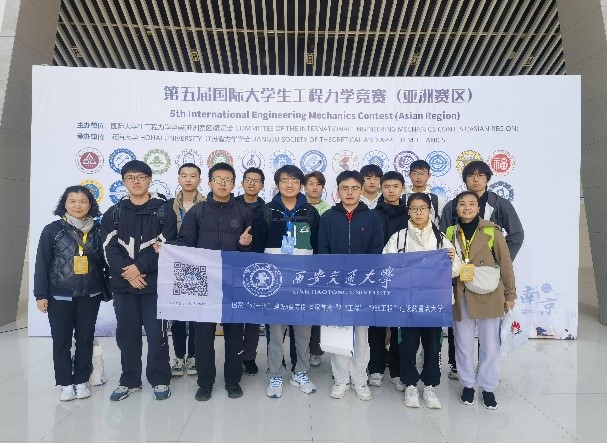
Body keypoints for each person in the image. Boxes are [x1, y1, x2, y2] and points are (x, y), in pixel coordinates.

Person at [170, 162, 253, 401]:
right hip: (202, 281)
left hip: (233, 282)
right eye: (218, 179)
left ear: (234, 184)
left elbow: (251, 253)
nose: (223, 183)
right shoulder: (198, 212)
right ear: (209, 183)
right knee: (203, 335)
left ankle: (233, 381)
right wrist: (167, 248)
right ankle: (205, 383)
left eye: (227, 180)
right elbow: (186, 242)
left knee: (234, 334)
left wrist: (244, 245)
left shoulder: (244, 212)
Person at [440, 160, 524, 380]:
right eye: (471, 175)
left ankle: (487, 382)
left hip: (488, 283)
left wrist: (494, 260)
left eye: (480, 175)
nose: (475, 179)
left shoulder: (500, 205)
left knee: (489, 339)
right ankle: (461, 372)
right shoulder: (452, 206)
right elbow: (443, 241)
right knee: (461, 337)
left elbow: (516, 235)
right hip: (460, 282)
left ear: (487, 178)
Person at [101, 160, 177, 401]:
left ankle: (160, 379)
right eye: (130, 177)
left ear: (149, 180)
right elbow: (108, 249)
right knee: (127, 335)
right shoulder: (113, 213)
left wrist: (139, 268)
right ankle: (129, 380)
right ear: (124, 181)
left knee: (157, 335)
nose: (136, 181)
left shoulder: (164, 210)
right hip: (124, 286)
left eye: (141, 177)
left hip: (155, 286)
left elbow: (165, 246)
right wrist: (129, 273)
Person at [383, 193, 461, 409]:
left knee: (433, 346)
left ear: (429, 211)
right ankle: (410, 385)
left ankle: (430, 386)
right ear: (408, 211)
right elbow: (386, 267)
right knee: (407, 346)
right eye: (414, 208)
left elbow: (456, 270)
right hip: (407, 303)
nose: (418, 213)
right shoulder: (399, 238)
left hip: (434, 303)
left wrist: (453, 259)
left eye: (423, 208)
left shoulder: (440, 239)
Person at [34, 185, 105, 401]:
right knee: (61, 340)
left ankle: (81, 380)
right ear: (64, 204)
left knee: (85, 338)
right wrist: (40, 295)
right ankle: (65, 383)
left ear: (90, 204)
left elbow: (106, 260)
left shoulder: (99, 230)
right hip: (60, 294)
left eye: (83, 201)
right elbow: (42, 263)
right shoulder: (52, 230)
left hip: (90, 293)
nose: (77, 206)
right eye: (72, 201)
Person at [318, 170, 383, 401]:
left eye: (354, 188)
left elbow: (376, 251)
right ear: (337, 190)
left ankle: (359, 380)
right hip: (335, 285)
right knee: (338, 333)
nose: (349, 192)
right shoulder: (328, 217)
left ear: (361, 190)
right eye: (344, 188)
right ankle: (341, 380)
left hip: (362, 286)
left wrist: (361, 280)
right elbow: (323, 251)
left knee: (361, 335)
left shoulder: (372, 217)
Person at [448, 191, 516, 410]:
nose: (467, 207)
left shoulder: (491, 231)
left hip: (489, 293)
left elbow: (505, 264)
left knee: (489, 344)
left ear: (479, 208)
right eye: (462, 204)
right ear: (456, 208)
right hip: (461, 293)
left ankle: (488, 388)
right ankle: (468, 384)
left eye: (471, 204)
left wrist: (510, 295)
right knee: (463, 343)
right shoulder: (450, 232)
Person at [259, 164, 320, 398]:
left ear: (301, 185)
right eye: (285, 180)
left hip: (302, 284)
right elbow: (258, 250)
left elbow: (317, 248)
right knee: (275, 333)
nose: (289, 184)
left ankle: (300, 371)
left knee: (303, 332)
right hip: (275, 284)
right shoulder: (266, 211)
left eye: (294, 180)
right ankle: (275, 373)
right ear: (277, 184)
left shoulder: (310, 213)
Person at [368, 171, 409, 391]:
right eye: (387, 186)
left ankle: (396, 369)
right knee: (376, 324)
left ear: (402, 188)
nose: (391, 190)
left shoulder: (410, 215)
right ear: (380, 188)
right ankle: (375, 367)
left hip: (402, 279)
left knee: (398, 326)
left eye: (395, 186)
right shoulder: (372, 214)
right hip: (376, 276)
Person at [168, 163, 206, 377]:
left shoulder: (207, 205)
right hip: (175, 265)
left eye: (193, 176)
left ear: (200, 180)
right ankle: (178, 355)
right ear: (179, 179)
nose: (188, 179)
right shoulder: (168, 206)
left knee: (196, 315)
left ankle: (194, 355)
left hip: (200, 266)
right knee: (178, 315)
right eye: (184, 175)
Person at [236, 167, 266, 376]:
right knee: (236, 315)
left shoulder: (266, 209)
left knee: (254, 317)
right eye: (248, 180)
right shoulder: (231, 205)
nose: (252, 183)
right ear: (242, 182)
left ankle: (249, 357)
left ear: (262, 186)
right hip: (234, 266)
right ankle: (235, 355)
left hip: (258, 268)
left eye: (256, 181)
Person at [304, 171, 332, 368]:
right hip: (301, 264)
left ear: (323, 187)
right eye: (310, 183)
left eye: (318, 184)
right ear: (304, 186)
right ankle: (300, 349)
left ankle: (315, 350)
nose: (314, 187)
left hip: (320, 266)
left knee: (317, 311)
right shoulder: (297, 207)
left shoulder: (328, 210)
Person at [403, 160, 445, 226]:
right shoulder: (402, 197)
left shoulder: (437, 199)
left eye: (423, 173)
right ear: (409, 175)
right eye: (415, 173)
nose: (419, 177)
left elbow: (442, 223)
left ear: (429, 175)